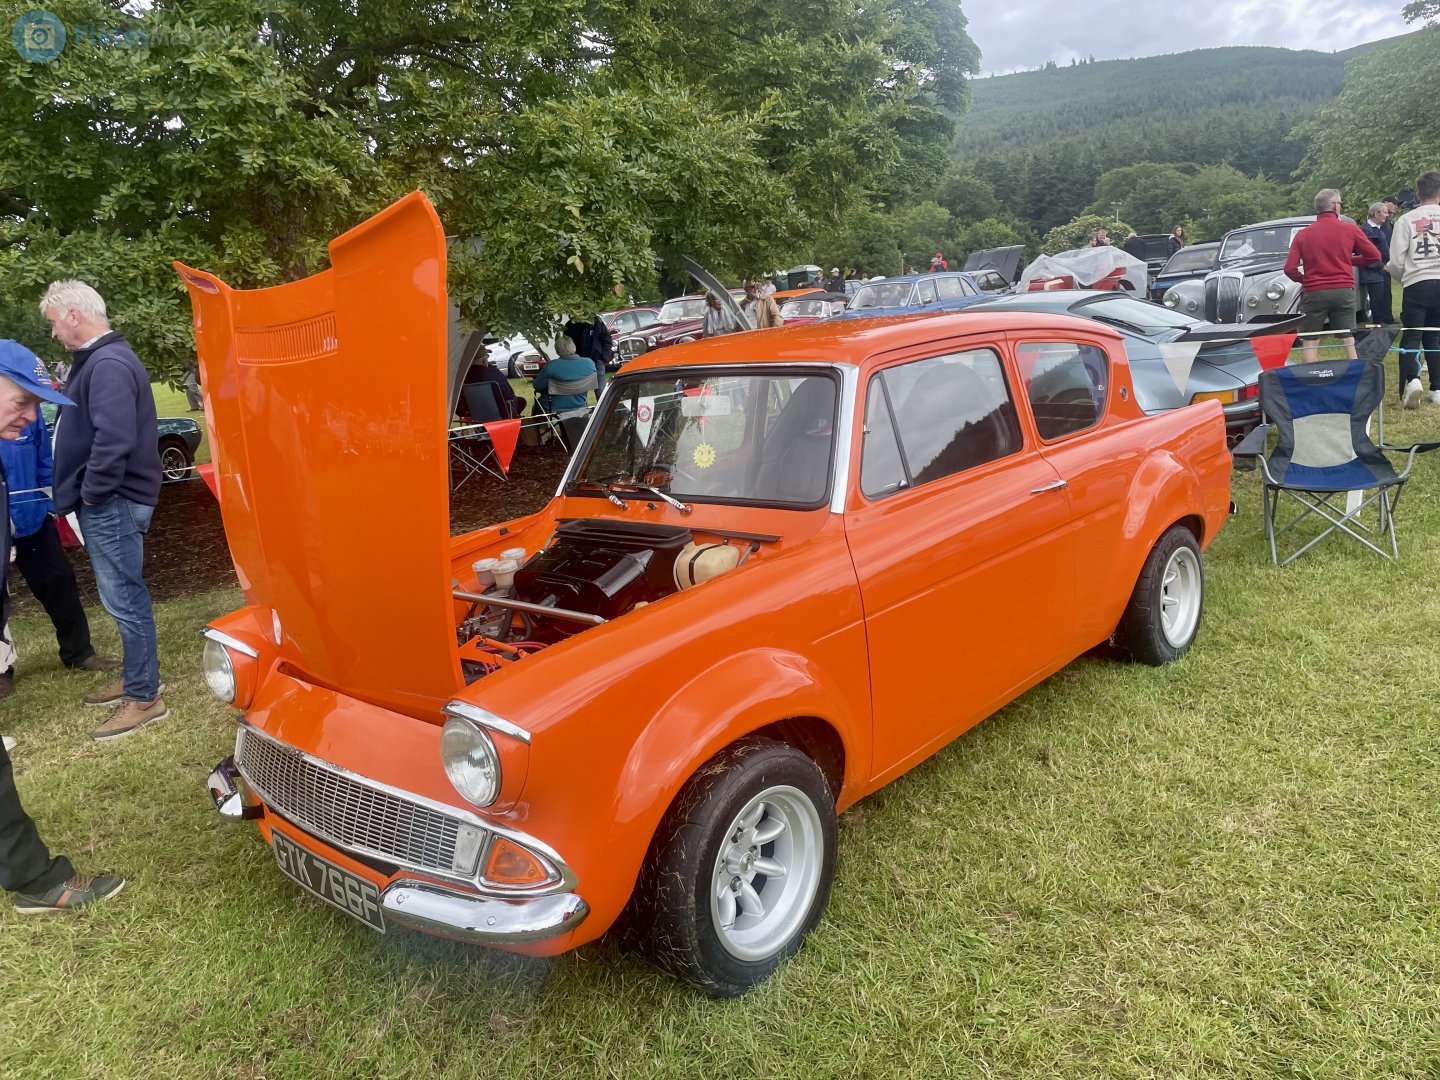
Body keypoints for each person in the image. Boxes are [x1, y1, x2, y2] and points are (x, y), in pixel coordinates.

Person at [0, 343, 125, 912]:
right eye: (23, 401)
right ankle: (35, 882)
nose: (30, 415)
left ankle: (33, 878)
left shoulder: (18, 435)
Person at [39, 280, 167, 739]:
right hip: (111, 499)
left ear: (74, 315)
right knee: (124, 597)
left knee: (124, 599)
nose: (54, 333)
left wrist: (91, 494)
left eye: (53, 323)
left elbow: (113, 441)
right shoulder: (101, 359)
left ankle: (144, 696)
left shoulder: (107, 363)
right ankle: (139, 677)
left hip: (111, 501)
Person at [0, 390, 120, 699]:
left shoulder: (28, 413)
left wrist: (46, 501)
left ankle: (79, 652)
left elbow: (43, 460)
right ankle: (2, 671)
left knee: (59, 583)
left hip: (32, 518)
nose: (25, 413)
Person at [1283, 189, 1381, 364]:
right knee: (1349, 338)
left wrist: (1305, 280)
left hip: (1314, 292)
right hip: (1343, 290)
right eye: (1340, 203)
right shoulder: (1350, 229)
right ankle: (1354, 373)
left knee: (1310, 340)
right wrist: (1349, 261)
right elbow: (1374, 256)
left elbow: (1289, 268)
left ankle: (1311, 377)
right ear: (1335, 206)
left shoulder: (1303, 234)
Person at [1386, 170, 1440, 408]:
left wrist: (1405, 278)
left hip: (1417, 281)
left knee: (1412, 334)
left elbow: (1395, 261)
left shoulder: (1405, 220)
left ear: (1417, 193)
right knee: (1435, 337)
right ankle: (1437, 389)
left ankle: (1413, 380)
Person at [532, 335, 598, 416]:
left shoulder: (551, 366)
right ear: (574, 347)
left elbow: (537, 386)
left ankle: (541, 427)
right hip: (580, 404)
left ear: (557, 350)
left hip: (553, 407)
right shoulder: (589, 363)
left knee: (537, 406)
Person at [1358, 201, 1392, 326]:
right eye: (1384, 212)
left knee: (1385, 295)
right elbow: (1365, 252)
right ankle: (1379, 322)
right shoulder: (1365, 230)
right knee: (1376, 298)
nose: (1386, 215)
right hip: (1373, 271)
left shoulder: (1379, 230)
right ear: (1376, 213)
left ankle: (1386, 319)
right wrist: (1380, 266)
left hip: (1383, 268)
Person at [564, 316, 613, 389]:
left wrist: (604, 357)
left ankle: (601, 400)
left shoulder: (597, 322)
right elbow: (566, 344)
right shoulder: (571, 325)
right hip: (578, 362)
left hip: (596, 360)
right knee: (580, 389)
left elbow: (607, 339)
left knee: (600, 389)